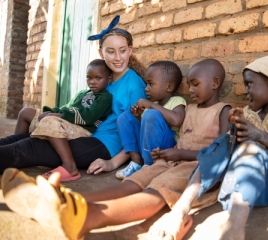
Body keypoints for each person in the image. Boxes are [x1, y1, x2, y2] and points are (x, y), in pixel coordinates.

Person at [1, 58, 232, 240]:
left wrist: (179, 154)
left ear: (215, 83)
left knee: (155, 193)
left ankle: (87, 217)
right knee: (133, 183)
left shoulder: (224, 110)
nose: (190, 90)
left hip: (195, 166)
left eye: (195, 84)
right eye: (189, 85)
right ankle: (68, 200)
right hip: (169, 160)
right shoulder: (191, 108)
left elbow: (219, 151)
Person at [147, 54, 268, 240]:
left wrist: (259, 135)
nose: (244, 91)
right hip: (238, 182)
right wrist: (235, 129)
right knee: (225, 141)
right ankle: (180, 210)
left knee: (250, 147)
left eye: (249, 84)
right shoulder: (250, 112)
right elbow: (232, 148)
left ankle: (234, 229)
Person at [0, 15, 146, 174]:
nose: (118, 58)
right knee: (23, 139)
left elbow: (137, 131)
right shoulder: (104, 78)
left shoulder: (134, 86)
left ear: (130, 50)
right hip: (83, 132)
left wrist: (112, 163)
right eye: (111, 52)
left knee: (30, 147)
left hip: (104, 143)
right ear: (101, 53)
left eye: (122, 51)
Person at [13, 59, 113, 182]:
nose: (92, 82)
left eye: (98, 78)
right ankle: (16, 146)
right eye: (89, 78)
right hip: (67, 122)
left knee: (49, 121)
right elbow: (66, 108)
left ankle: (70, 166)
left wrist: (59, 115)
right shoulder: (82, 93)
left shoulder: (105, 97)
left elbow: (89, 117)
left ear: (109, 79)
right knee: (25, 112)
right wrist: (50, 111)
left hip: (83, 128)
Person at [115, 61, 186, 179]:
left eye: (150, 84)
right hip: (147, 147)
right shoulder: (153, 105)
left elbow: (176, 120)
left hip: (167, 146)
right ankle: (136, 161)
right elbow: (145, 131)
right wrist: (138, 116)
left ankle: (149, 166)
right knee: (124, 117)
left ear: (169, 87)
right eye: (146, 84)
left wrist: (150, 106)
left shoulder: (177, 101)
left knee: (152, 115)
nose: (146, 88)